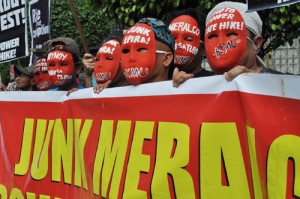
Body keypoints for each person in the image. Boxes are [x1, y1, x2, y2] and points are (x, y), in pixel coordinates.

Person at [205, 1, 286, 81]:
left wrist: (255, 82)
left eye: (231, 34)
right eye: (213, 36)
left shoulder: (286, 85)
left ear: (256, 43)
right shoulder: (200, 88)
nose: (221, 43)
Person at [165, 8, 214, 87]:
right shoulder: (156, 83)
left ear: (204, 48)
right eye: (174, 38)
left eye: (188, 39)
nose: (179, 44)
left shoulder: (216, 82)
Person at [120, 17, 174, 85]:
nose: (131, 58)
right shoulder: (114, 93)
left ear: (166, 59)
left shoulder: (182, 93)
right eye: (126, 51)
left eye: (141, 50)